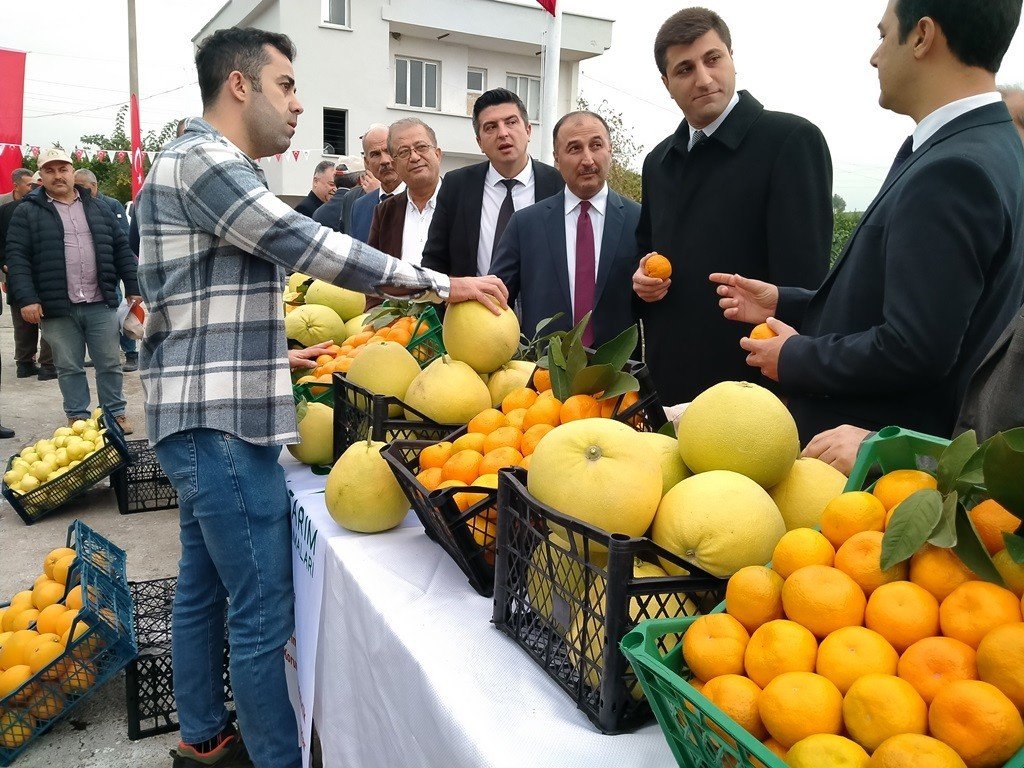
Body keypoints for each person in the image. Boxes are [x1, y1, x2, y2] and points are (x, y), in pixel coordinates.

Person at [136, 27, 506, 768]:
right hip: (219, 427)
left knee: (206, 588)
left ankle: (203, 735)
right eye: (285, 86)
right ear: (239, 85)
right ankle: (273, 757)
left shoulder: (184, 159)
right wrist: (441, 283)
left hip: (198, 410)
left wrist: (277, 351)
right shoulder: (210, 159)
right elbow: (301, 241)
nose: (298, 105)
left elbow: (194, 300)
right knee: (261, 610)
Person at [713, 0, 1024, 446]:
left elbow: (915, 349)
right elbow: (915, 303)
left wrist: (796, 355)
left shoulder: (955, 169)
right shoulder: (987, 144)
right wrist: (786, 302)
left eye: (883, 34)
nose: (875, 55)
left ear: (921, 37)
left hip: (876, 463)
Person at [632, 7, 833, 407]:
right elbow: (646, 252)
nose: (704, 79)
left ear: (731, 57)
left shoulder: (789, 141)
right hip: (670, 384)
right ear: (666, 83)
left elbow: (805, 284)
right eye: (685, 69)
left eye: (713, 59)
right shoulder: (659, 162)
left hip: (752, 392)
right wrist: (641, 281)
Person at [5, 147, 140, 434]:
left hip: (100, 300)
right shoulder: (27, 212)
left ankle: (115, 414)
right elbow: (17, 258)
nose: (58, 176)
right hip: (57, 306)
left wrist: (132, 285)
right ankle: (77, 418)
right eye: (50, 170)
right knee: (68, 367)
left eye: (62, 169)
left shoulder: (97, 206)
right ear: (40, 176)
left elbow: (120, 248)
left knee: (109, 363)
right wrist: (28, 299)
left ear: (72, 171)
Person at [490, 111, 640, 346]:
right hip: (543, 373)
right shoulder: (525, 224)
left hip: (617, 375)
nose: (588, 159)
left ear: (610, 150)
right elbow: (497, 301)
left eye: (596, 145)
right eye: (574, 149)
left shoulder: (638, 220)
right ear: (557, 159)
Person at [421, 88, 564, 278]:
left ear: (528, 130)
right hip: (473, 305)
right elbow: (434, 261)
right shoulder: (456, 186)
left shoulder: (558, 185)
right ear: (479, 142)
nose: (503, 133)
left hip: (542, 307)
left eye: (511, 122)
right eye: (491, 127)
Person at [74, 168, 138, 371]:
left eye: (82, 187)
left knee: (120, 312)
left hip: (110, 269)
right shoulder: (76, 206)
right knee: (95, 316)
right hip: (88, 272)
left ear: (94, 186)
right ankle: (97, 353)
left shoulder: (110, 205)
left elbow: (124, 239)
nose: (78, 191)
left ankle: (131, 353)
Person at [1, 169, 57, 380]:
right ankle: (47, 365)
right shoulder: (50, 209)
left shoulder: (7, 209)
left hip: (18, 274)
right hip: (44, 275)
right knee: (50, 320)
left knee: (23, 323)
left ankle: (25, 363)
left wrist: (6, 265)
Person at [347, 124, 404, 243]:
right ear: (366, 162)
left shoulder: (422, 198)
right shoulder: (359, 207)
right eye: (375, 154)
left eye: (388, 151)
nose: (384, 160)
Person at [73, 169, 129, 233]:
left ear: (93, 185)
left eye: (80, 186)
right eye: (74, 186)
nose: (76, 189)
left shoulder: (113, 205)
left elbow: (124, 232)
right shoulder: (74, 205)